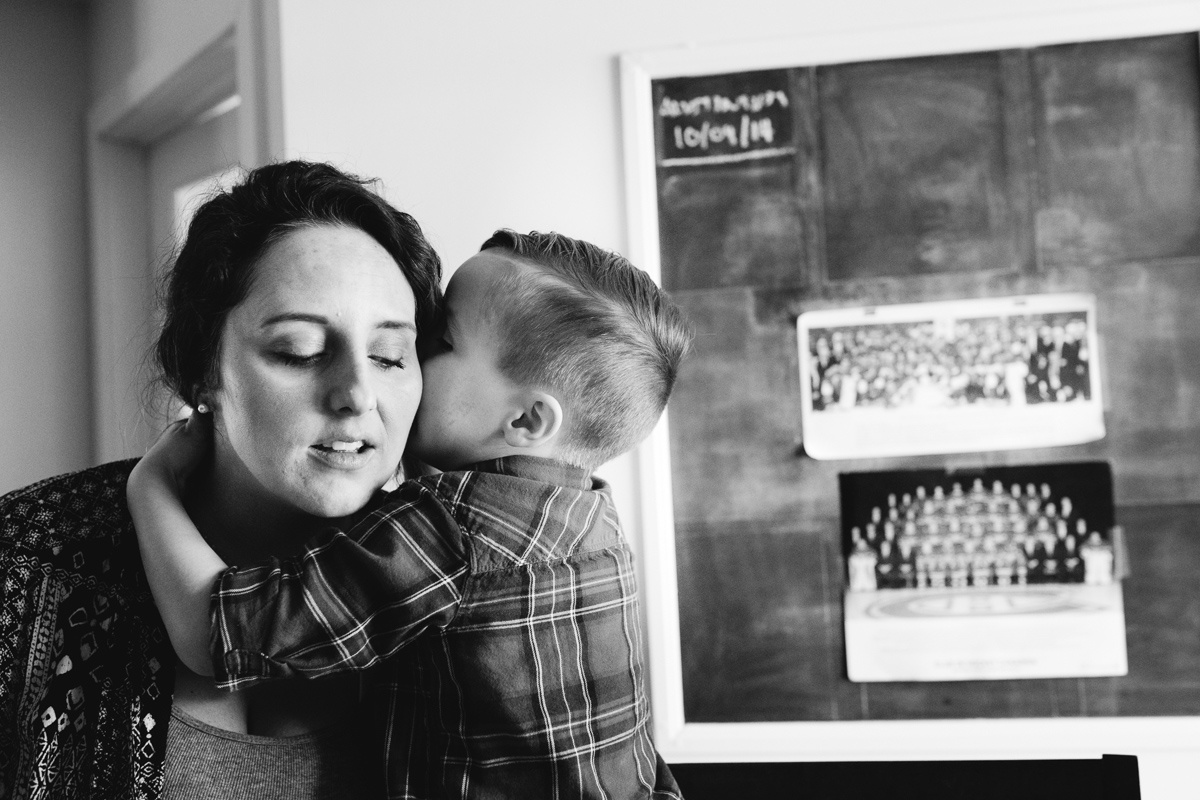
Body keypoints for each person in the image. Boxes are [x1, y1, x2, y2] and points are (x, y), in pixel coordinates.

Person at [127, 230, 692, 798]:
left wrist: (151, 483)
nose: (375, 385)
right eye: (299, 353)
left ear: (524, 423)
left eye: (429, 345)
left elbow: (218, 634)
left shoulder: (451, 531)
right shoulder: (592, 515)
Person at [0, 160, 443, 799]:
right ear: (201, 369)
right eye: (300, 351)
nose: (356, 394)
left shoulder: (470, 576)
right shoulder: (25, 558)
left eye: (389, 356)